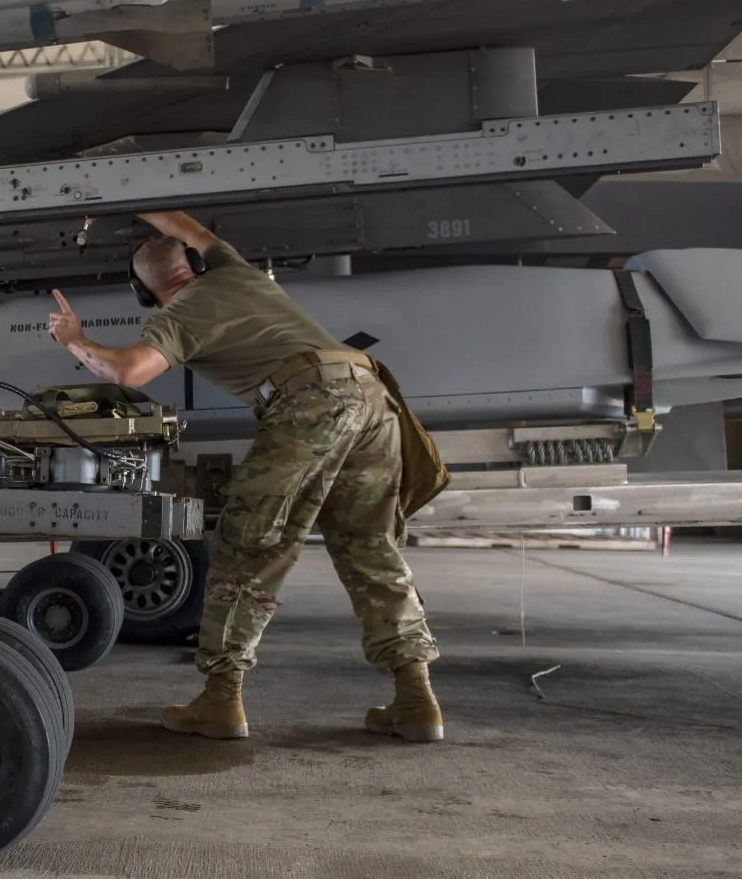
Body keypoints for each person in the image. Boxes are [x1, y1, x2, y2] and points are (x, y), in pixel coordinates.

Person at [44, 211, 445, 743]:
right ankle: (416, 700)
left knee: (247, 548)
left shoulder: (180, 314)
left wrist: (73, 340)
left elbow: (127, 373)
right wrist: (139, 200)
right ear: (190, 263)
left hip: (310, 401)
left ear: (145, 292)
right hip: (372, 395)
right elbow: (194, 232)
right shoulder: (234, 271)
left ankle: (220, 699)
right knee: (371, 548)